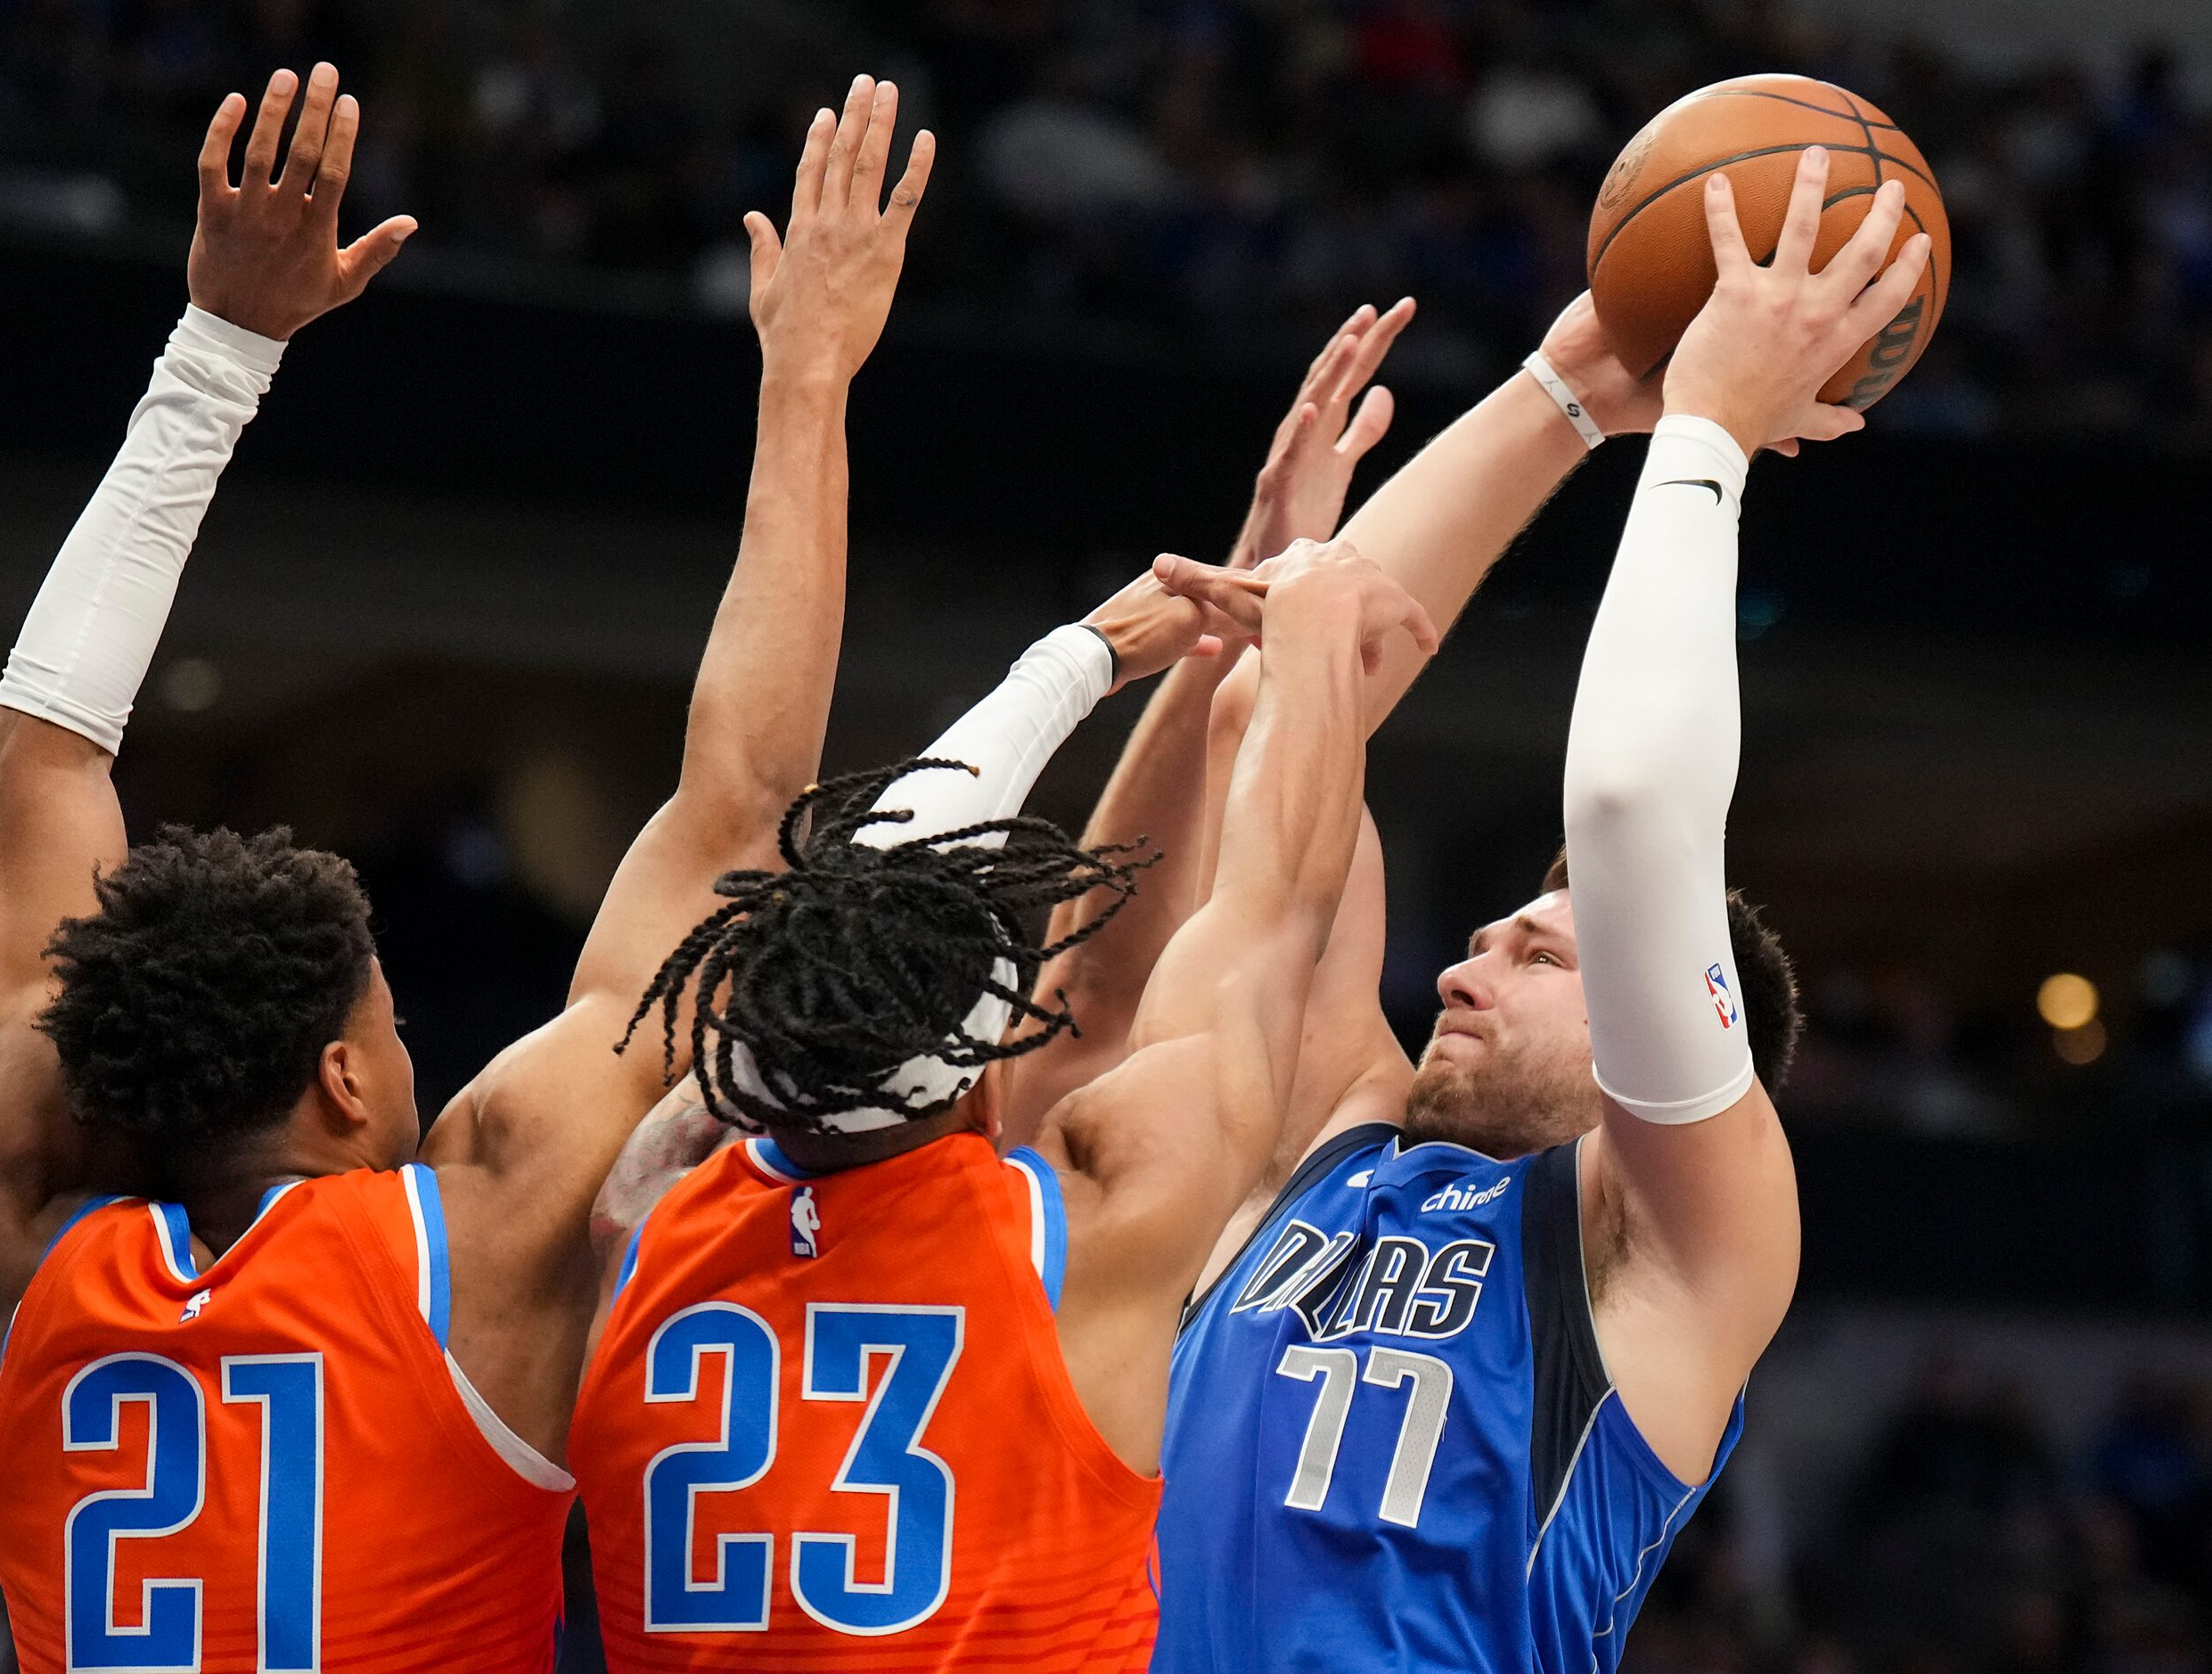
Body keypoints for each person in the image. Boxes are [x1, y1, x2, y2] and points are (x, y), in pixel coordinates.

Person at [0, 64, 932, 1671]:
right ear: (343, 1079)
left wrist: (220, 355)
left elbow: (44, 756)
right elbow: (743, 808)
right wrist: (811, 373)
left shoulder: (31, 1229)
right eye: (394, 1023)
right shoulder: (474, 1243)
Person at [1140, 149, 1934, 1670]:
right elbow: (1278, 710)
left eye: (1536, 950)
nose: (1458, 963)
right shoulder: (1329, 1138)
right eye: (1491, 932)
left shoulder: (1676, 1242)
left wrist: (1709, 429)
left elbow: (1635, 812)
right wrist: (1569, 387)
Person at [568, 524, 1438, 1670]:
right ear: (982, 1070)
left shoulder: (628, 1221)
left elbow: (845, 924)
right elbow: (1268, 913)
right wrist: (1311, 636)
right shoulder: (1084, 1228)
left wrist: (1079, 660)